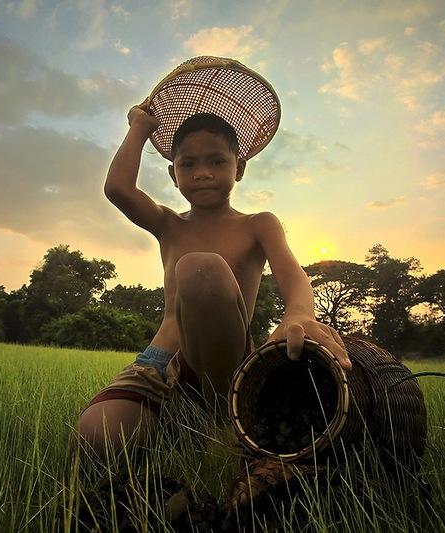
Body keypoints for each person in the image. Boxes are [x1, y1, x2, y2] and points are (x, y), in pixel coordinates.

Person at [73, 102, 351, 457]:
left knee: (200, 269)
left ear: (240, 168)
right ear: (174, 175)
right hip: (158, 362)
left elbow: (292, 273)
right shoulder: (169, 224)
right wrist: (140, 127)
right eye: (188, 164)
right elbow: (118, 189)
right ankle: (180, 425)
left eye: (217, 161)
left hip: (227, 366)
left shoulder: (258, 224)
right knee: (95, 438)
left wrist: (298, 313)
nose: (202, 172)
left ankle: (225, 420)